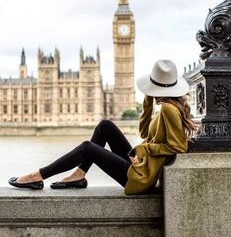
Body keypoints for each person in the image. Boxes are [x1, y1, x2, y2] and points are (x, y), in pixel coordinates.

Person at [8, 59, 196, 195]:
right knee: (105, 125)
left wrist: (144, 148)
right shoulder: (164, 107)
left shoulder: (169, 110)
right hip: (141, 165)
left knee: (87, 147)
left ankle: (38, 175)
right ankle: (79, 174)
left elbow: (179, 146)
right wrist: (147, 105)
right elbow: (144, 132)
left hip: (139, 177)